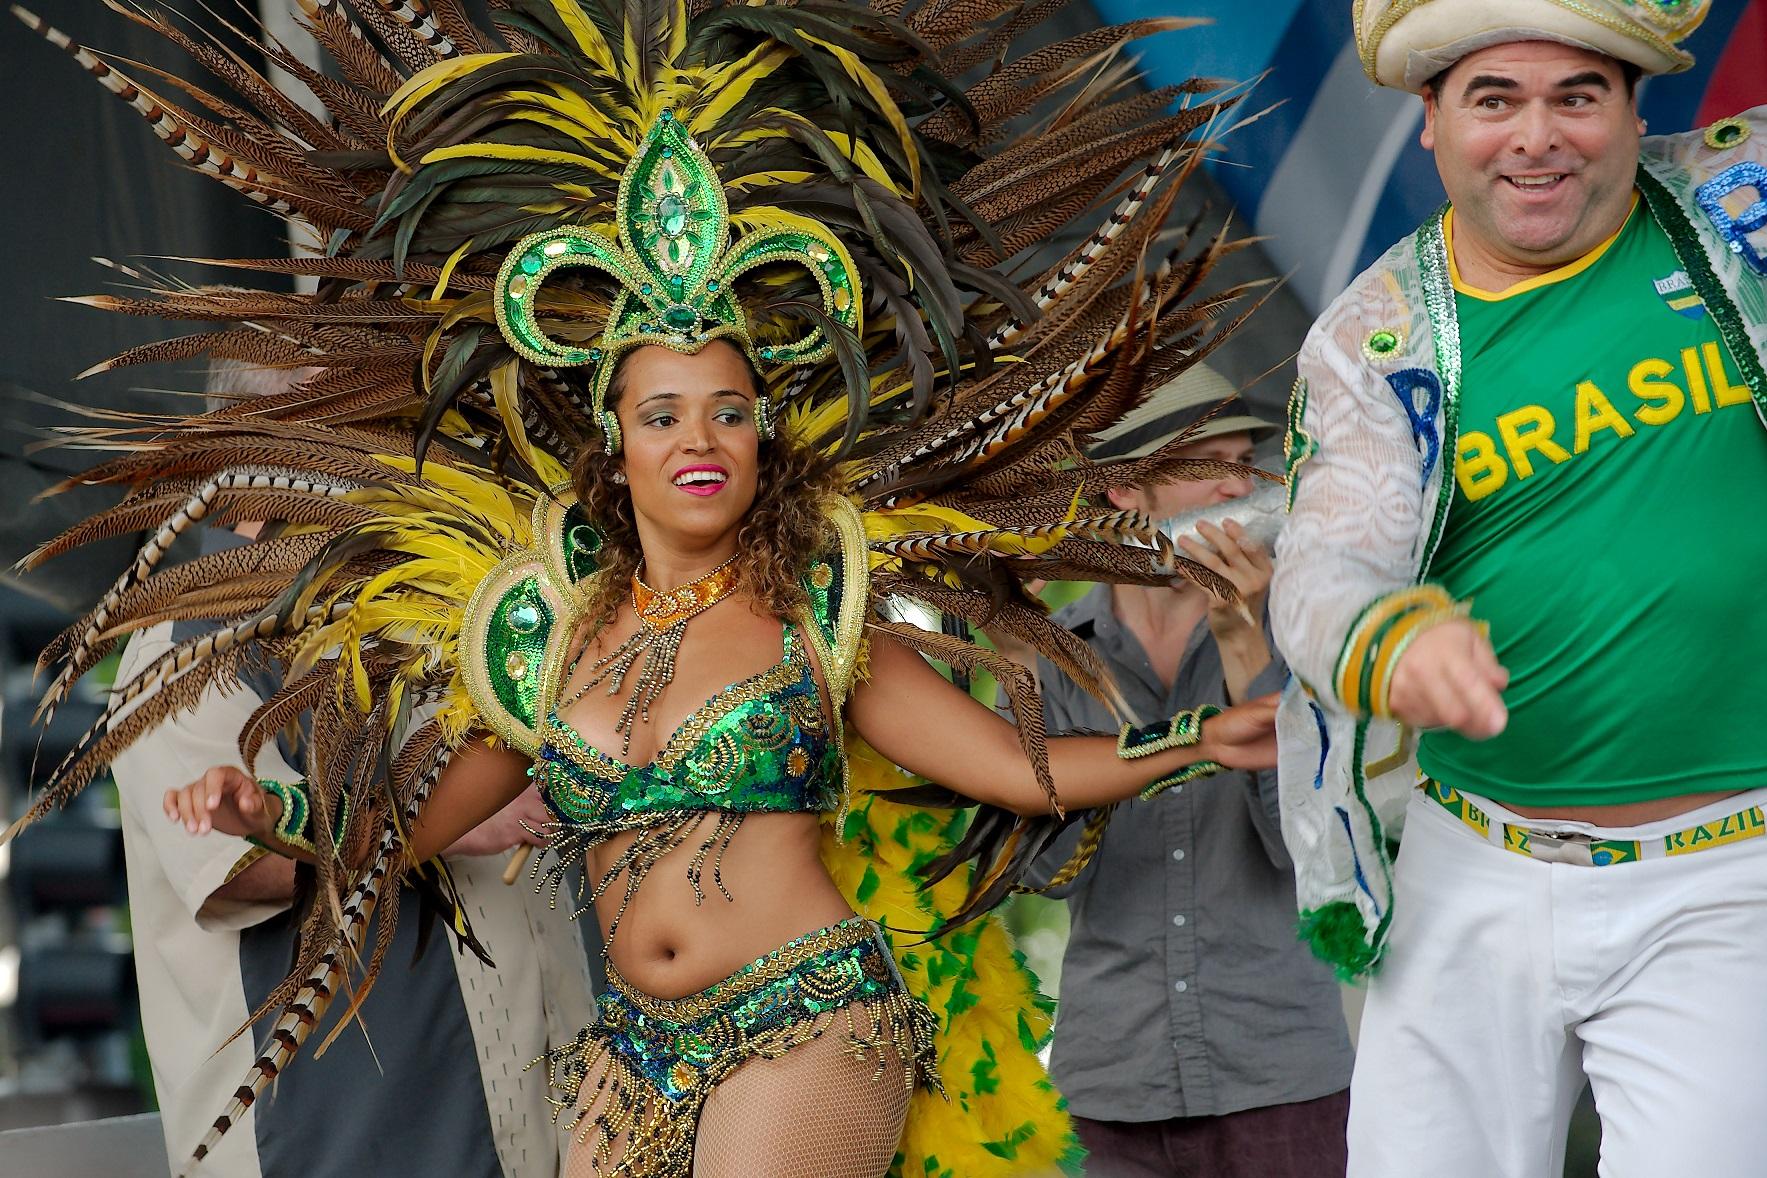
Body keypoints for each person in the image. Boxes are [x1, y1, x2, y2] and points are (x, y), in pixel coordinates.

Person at [12, 3, 1280, 1177]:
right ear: (612, 445)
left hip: (809, 1011)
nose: (700, 439)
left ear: (762, 438)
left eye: (730, 412)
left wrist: (1194, 738)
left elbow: (1019, 768)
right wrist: (275, 809)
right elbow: (404, 821)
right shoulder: (541, 640)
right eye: (663, 411)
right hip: (627, 1056)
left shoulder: (814, 606)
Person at [1272, 3, 1767, 1175]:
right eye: (1495, 98)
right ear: (1433, 122)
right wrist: (1391, 639)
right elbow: (1323, 567)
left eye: (1577, 97)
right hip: (1470, 871)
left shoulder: (1739, 216)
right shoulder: (1375, 337)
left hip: (1730, 878)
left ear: (1635, 110)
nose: (1536, 136)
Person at [109, 358, 595, 1178]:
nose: (388, 455)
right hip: (347, 1145)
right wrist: (447, 816)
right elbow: (240, 868)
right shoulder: (193, 647)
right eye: (349, 431)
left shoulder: (445, 608)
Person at [1033, 365, 1352, 1178]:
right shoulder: (1053, 655)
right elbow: (1042, 874)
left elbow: (1311, 857)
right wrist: (1005, 659)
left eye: (1245, 462)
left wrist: (1249, 651)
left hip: (1280, 1075)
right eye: (1203, 463)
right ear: (1122, 494)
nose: (1236, 485)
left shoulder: (1304, 636)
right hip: (1109, 1085)